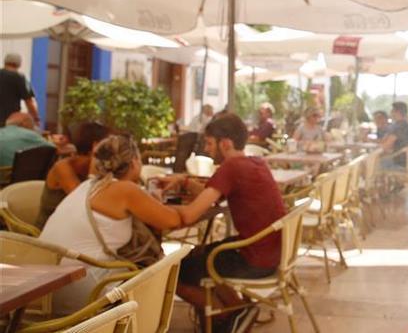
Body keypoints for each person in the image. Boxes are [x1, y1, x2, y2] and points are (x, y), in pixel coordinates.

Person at [159, 112, 285, 332]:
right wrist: (184, 181)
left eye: (209, 143)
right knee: (200, 255)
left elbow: (190, 215)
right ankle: (240, 310)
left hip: (252, 260)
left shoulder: (231, 168)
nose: (206, 149)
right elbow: (212, 194)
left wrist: (154, 206)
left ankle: (230, 315)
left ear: (225, 144)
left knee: (174, 272)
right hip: (269, 253)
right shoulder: (255, 163)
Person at [40, 135, 181, 314]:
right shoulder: (123, 189)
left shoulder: (89, 186)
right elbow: (173, 221)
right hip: (80, 294)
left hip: (42, 290)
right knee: (152, 272)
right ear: (135, 161)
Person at [35, 122, 110, 229]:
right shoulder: (62, 168)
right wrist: (94, 164)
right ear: (96, 146)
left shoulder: (101, 167)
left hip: (75, 227)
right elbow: (83, 203)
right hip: (49, 233)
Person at [0, 52, 39, 126]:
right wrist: (36, 118)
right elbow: (29, 101)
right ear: (19, 64)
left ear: (5, 62)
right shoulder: (20, 78)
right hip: (10, 120)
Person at [380, 102, 408, 170]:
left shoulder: (399, 127)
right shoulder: (405, 125)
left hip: (399, 164)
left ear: (397, 112)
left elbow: (386, 146)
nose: (390, 113)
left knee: (369, 164)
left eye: (392, 111)